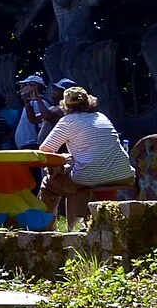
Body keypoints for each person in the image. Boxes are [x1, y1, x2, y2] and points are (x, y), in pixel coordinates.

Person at [38, 87, 136, 227]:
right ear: (89, 101)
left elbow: (45, 149)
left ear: (65, 105)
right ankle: (78, 225)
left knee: (49, 185)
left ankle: (44, 230)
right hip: (124, 174)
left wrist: (63, 159)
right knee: (81, 175)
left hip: (88, 177)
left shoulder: (68, 121)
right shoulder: (101, 116)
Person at [14, 74, 53, 149]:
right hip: (26, 145)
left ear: (35, 87)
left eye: (25, 85)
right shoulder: (30, 102)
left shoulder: (39, 103)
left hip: (32, 144)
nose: (22, 87)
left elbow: (43, 126)